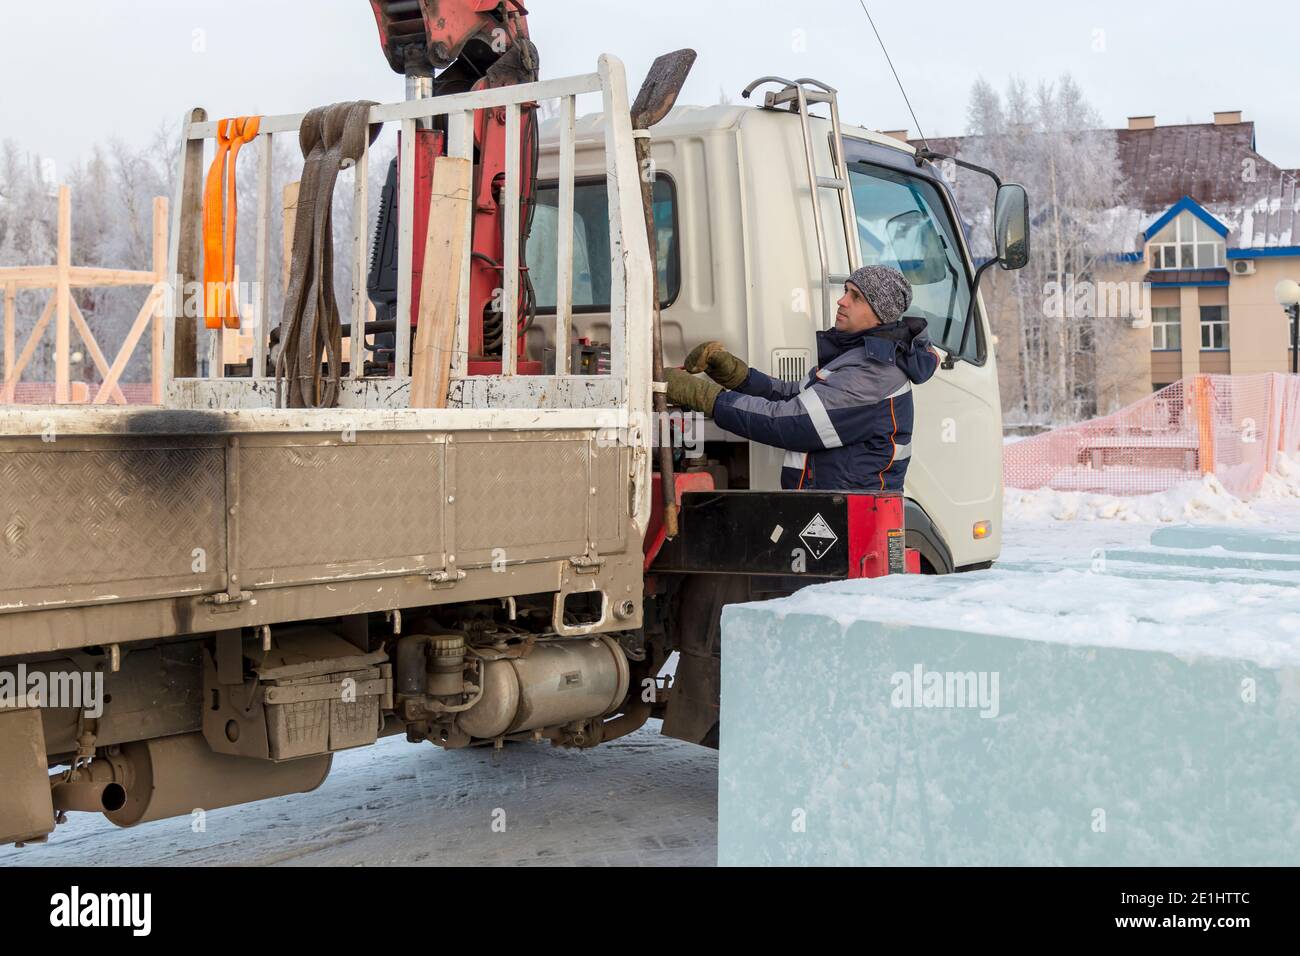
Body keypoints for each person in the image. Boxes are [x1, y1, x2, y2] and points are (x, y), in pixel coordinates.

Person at [665, 264, 938, 491]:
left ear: (880, 314)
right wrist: (737, 376)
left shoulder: (874, 373)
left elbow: (788, 422)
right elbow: (794, 395)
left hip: (848, 518)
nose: (842, 301)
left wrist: (703, 396)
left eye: (856, 297)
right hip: (832, 509)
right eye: (845, 291)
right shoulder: (857, 356)